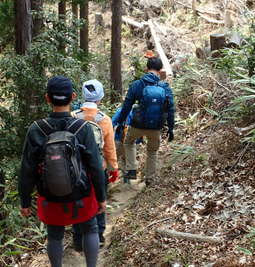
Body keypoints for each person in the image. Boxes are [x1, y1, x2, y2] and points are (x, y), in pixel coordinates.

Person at [18, 75, 106, 267]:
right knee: (90, 229)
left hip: (50, 195)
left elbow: (27, 168)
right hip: (82, 195)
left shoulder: (36, 129)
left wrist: (24, 201)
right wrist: (101, 197)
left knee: (54, 235)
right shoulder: (83, 127)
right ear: (73, 96)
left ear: (47, 98)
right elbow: (95, 166)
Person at [71, 79, 119, 248]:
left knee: (77, 202)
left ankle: (78, 240)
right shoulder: (104, 120)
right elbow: (109, 148)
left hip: (75, 169)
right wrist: (114, 167)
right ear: (100, 98)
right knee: (100, 200)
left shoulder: (73, 116)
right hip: (99, 168)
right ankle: (99, 236)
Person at [116, 56, 175, 186]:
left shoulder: (137, 85)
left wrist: (120, 123)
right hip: (156, 127)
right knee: (152, 151)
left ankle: (131, 169)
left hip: (137, 124)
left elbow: (126, 106)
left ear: (146, 69)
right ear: (160, 70)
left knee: (129, 142)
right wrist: (171, 128)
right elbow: (170, 109)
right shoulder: (164, 87)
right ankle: (150, 178)